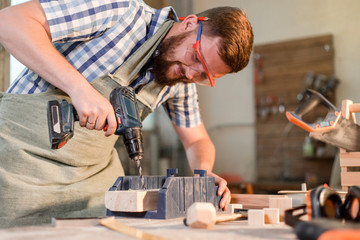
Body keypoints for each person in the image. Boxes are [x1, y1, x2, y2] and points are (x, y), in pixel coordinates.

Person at [0, 0, 253, 227]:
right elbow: (10, 22)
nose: (189, 73)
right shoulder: (120, 12)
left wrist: (204, 173)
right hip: (20, 165)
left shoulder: (179, 82)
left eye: (203, 75)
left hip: (88, 188)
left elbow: (197, 140)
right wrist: (78, 89)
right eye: (195, 56)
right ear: (189, 23)